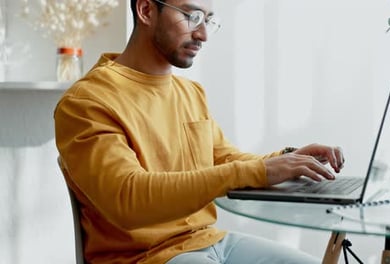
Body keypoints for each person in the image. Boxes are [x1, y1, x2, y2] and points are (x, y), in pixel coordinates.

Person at [54, 0, 345, 263]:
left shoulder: (190, 92)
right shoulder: (87, 102)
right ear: (146, 11)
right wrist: (259, 170)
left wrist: (287, 161)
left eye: (208, 19)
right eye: (192, 16)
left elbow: (223, 160)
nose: (203, 34)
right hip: (143, 258)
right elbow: (127, 199)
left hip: (209, 241)